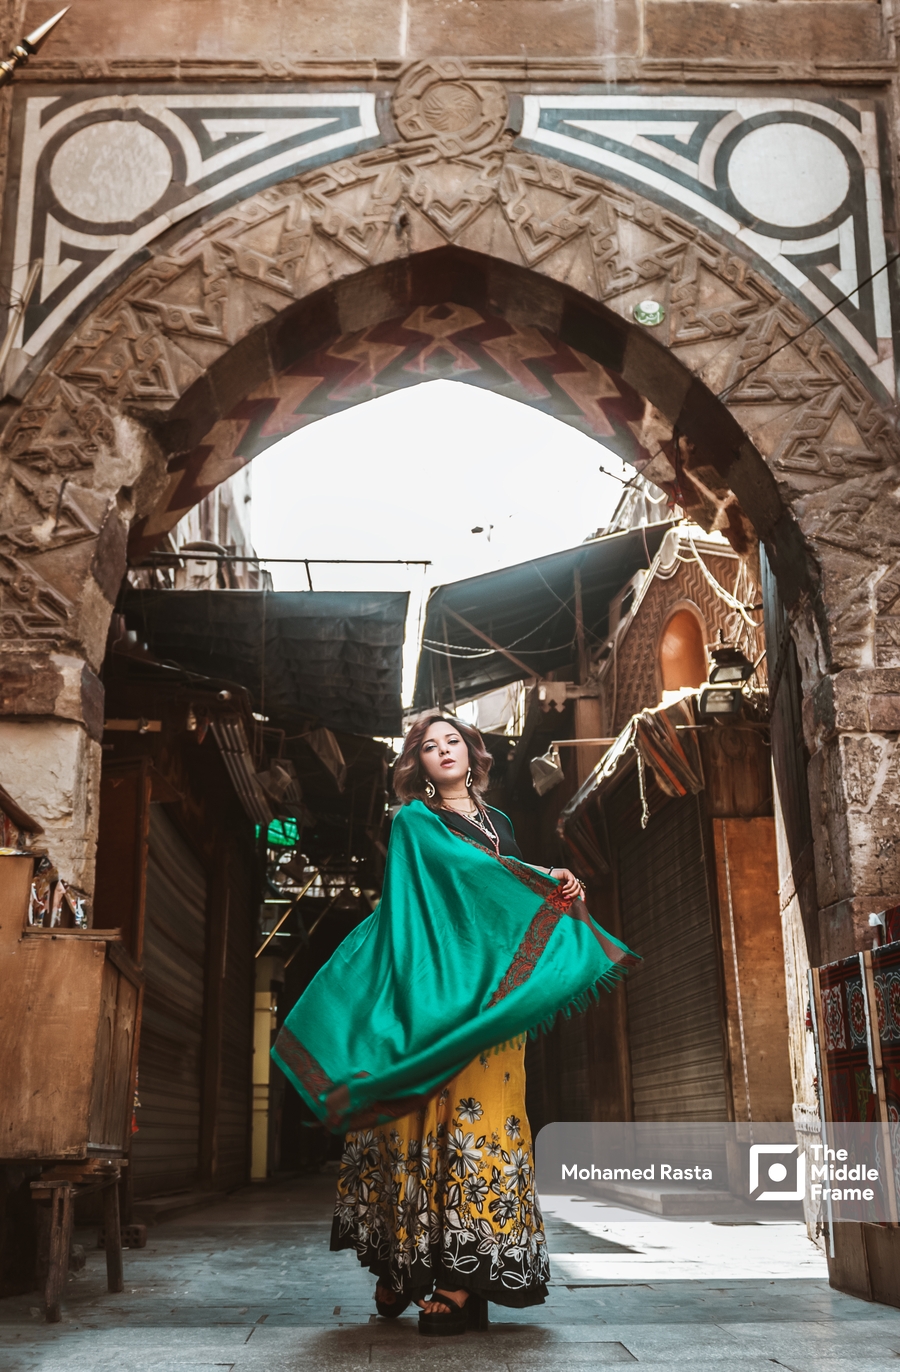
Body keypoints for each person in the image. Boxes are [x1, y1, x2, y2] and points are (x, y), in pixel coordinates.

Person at [272, 713, 636, 1336]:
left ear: (472, 752)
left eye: (453, 741)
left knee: (482, 1124)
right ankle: (400, 1261)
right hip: (429, 994)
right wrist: (536, 876)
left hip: (489, 1007)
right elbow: (447, 890)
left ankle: (460, 1277)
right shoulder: (414, 821)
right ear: (416, 762)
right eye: (429, 746)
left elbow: (502, 902)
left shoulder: (502, 824)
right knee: (407, 1120)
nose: (443, 751)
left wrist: (551, 882)